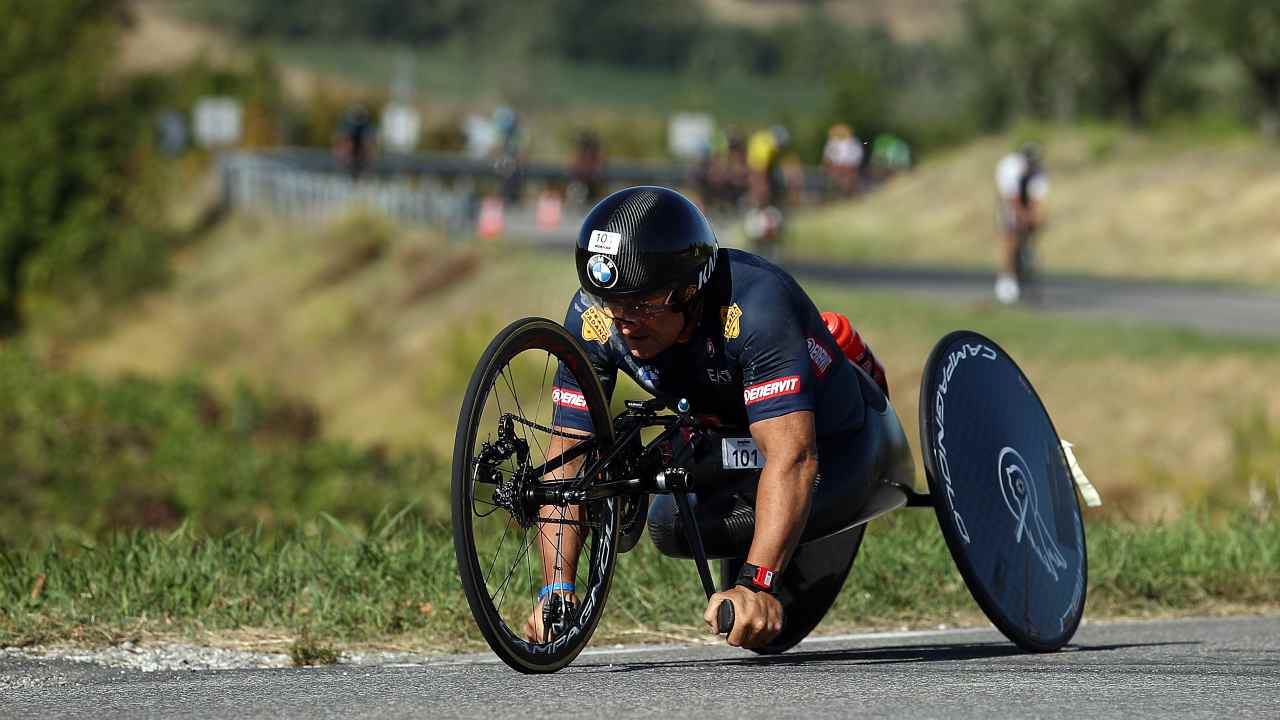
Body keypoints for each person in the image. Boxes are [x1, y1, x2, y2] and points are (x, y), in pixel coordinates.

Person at [528, 186, 906, 651]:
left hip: (838, 444)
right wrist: (556, 591)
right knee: (669, 528)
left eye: (643, 304)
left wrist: (757, 584)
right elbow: (567, 450)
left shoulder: (755, 307)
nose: (623, 322)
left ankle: (842, 347)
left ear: (690, 291)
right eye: (613, 302)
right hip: (724, 428)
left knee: (763, 480)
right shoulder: (597, 316)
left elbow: (794, 456)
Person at [994, 143, 1049, 304]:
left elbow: (1037, 199)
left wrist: (1034, 218)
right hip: (1008, 200)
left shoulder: (1039, 172)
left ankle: (1026, 269)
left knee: (1031, 233)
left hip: (1024, 200)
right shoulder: (1009, 167)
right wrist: (1022, 217)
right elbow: (1011, 198)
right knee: (1010, 236)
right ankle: (1007, 279)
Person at [821, 123, 863, 197]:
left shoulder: (853, 142)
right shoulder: (832, 142)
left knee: (847, 185)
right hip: (837, 168)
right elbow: (828, 157)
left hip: (848, 168)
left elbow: (857, 156)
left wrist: (849, 166)